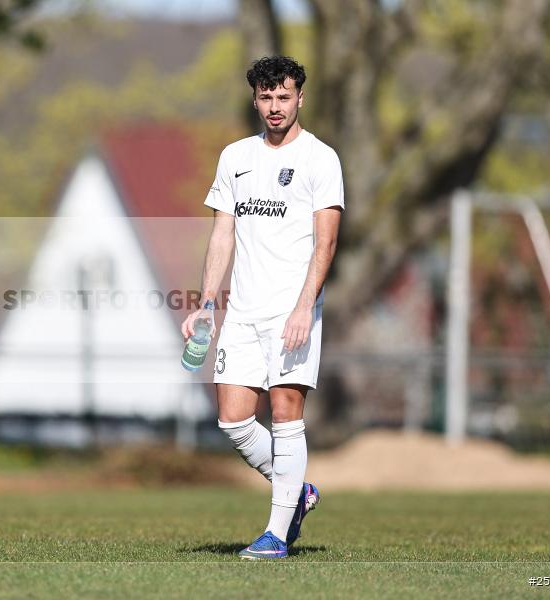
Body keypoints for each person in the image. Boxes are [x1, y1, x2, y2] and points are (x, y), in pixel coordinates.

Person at [181, 55, 344, 560]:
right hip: (243, 312)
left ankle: (276, 534)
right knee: (232, 419)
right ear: (255, 99)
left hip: (292, 312)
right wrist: (207, 303)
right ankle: (296, 492)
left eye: (284, 97)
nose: (275, 107)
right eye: (266, 98)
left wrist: (304, 308)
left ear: (301, 98)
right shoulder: (235, 157)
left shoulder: (321, 159)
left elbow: (326, 243)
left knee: (286, 413)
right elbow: (222, 235)